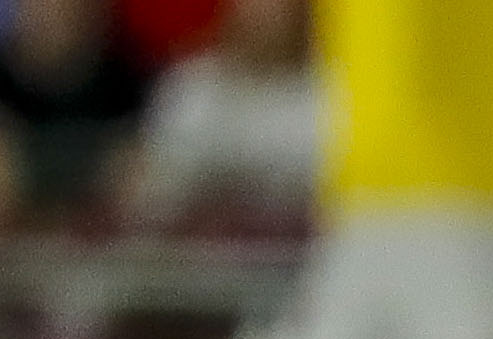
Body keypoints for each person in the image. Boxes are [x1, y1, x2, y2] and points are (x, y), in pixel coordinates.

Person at [124, 0, 313, 227]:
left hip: (296, 251)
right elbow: (149, 191)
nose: (261, 15)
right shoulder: (190, 87)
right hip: (196, 251)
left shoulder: (330, 94)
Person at [0, 0, 151, 229]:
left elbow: (139, 170)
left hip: (99, 233)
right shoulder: (6, 83)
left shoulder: (125, 81)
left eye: (68, 8)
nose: (55, 16)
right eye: (44, 7)